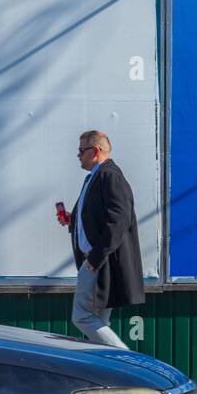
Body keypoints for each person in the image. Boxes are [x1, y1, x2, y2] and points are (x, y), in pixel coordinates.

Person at [56, 130, 144, 348]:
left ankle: (127, 362)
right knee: (100, 322)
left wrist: (95, 259)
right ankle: (112, 372)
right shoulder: (95, 176)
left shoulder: (109, 176)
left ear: (95, 151)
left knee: (82, 317)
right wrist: (72, 219)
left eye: (81, 150)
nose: (78, 155)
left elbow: (119, 221)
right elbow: (100, 216)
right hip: (98, 262)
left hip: (98, 263)